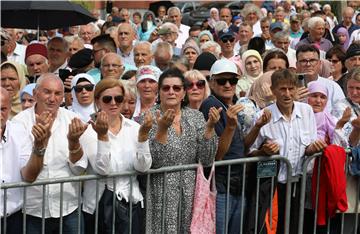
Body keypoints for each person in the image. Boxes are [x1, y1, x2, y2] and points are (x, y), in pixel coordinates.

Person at [249, 69, 327, 234]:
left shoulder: (306, 111)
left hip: (299, 183)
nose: (287, 94)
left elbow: (310, 146)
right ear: (273, 90)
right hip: (273, 187)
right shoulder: (264, 115)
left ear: (296, 89)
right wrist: (264, 151)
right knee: (272, 228)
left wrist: (314, 148)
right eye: (282, 89)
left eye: (291, 89)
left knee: (295, 227)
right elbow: (249, 151)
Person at [144, 67, 220, 233]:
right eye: (166, 88)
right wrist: (162, 130)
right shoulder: (149, 117)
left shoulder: (195, 116)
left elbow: (207, 159)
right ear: (159, 92)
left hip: (192, 189)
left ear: (184, 92)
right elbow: (156, 160)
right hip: (161, 189)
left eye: (176, 88)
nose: (171, 92)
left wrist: (210, 129)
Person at [12, 73, 86, 233]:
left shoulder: (73, 120)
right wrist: (39, 145)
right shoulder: (19, 123)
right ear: (35, 94)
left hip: (69, 207)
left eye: (58, 93)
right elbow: (25, 174)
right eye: (47, 92)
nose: (52, 98)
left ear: (63, 97)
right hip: (32, 209)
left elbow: (79, 169)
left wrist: (74, 143)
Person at [78, 78, 152, 234]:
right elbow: (104, 169)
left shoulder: (134, 127)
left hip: (132, 202)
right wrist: (103, 137)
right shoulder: (89, 131)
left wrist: (143, 137)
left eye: (118, 98)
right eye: (107, 99)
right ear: (97, 101)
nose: (113, 103)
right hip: (101, 206)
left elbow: (143, 167)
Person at [0, 87, 53, 234]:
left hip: (13, 218)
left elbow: (29, 176)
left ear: (10, 108)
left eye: (2, 109)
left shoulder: (19, 131)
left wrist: (39, 146)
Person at [296, 44, 345, 112]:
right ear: (297, 64)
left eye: (312, 60)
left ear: (319, 63)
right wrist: (292, 102)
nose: (308, 64)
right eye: (303, 61)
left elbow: (341, 113)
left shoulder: (332, 87)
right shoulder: (289, 88)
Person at [332, 67, 360, 147]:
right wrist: (357, 129)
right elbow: (346, 143)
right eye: (351, 88)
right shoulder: (341, 107)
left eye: (358, 88)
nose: (354, 93)